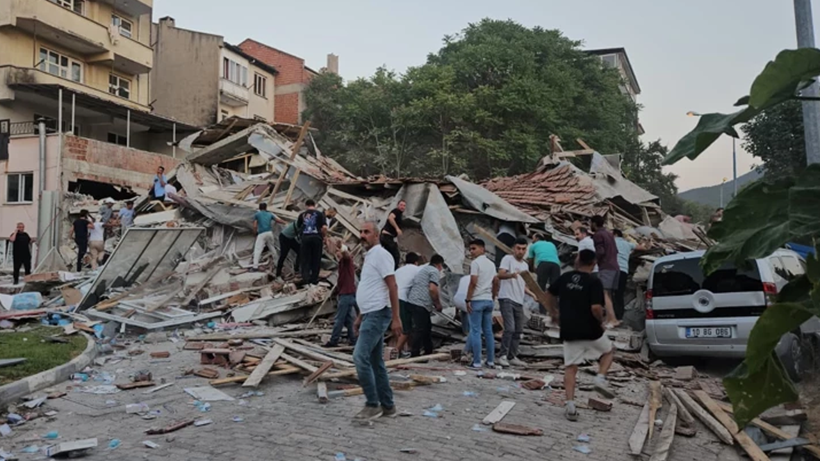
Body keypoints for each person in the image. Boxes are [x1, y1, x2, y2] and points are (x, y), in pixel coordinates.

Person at [546, 249, 616, 421]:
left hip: (569, 329)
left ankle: (570, 405)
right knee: (608, 352)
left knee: (571, 368)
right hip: (591, 330)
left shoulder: (565, 277)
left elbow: (549, 294)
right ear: (594, 264)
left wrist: (553, 313)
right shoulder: (594, 281)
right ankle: (600, 379)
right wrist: (601, 321)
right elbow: (596, 307)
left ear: (577, 261)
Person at [352, 221, 402, 421]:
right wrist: (360, 316)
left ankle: (372, 404)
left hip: (379, 314)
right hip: (370, 313)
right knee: (376, 362)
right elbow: (372, 288)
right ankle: (388, 406)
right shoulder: (370, 256)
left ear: (377, 235)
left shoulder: (381, 255)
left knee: (359, 357)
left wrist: (396, 318)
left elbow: (392, 286)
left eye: (367, 232)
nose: (362, 235)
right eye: (361, 231)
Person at [497, 238, 530, 368]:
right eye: (518, 248)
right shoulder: (507, 259)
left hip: (519, 300)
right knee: (509, 328)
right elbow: (500, 275)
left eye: (523, 249)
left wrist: (533, 294)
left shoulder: (525, 265)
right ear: (513, 248)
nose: (520, 251)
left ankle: (512, 356)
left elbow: (523, 285)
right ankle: (503, 356)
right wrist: (511, 275)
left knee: (518, 330)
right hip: (506, 298)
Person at [465, 239, 497, 369]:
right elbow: (496, 281)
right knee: (488, 332)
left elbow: (473, 282)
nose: (471, 251)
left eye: (474, 248)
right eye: (470, 249)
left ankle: (477, 362)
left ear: (482, 249)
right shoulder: (491, 264)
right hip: (488, 299)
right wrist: (493, 296)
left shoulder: (475, 263)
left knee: (475, 331)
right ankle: (490, 361)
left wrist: (468, 299)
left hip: (477, 299)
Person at [405, 254, 445, 357]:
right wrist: (437, 304)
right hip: (420, 302)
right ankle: (415, 353)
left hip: (413, 301)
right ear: (439, 265)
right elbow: (432, 289)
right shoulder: (434, 271)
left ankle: (428, 351)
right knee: (420, 329)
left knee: (426, 327)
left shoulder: (424, 269)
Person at [590, 216, 620, 328]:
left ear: (594, 223)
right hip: (615, 267)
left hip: (606, 267)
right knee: (608, 294)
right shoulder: (610, 234)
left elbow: (600, 251)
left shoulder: (598, 235)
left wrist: (593, 262)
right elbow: (616, 250)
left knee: (604, 293)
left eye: (590, 223)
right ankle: (609, 319)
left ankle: (613, 319)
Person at [325, 245, 358, 347]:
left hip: (346, 295)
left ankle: (334, 341)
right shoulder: (342, 264)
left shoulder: (347, 261)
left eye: (338, 251)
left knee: (339, 319)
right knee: (349, 320)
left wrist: (342, 247)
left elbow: (346, 255)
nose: (336, 253)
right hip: (348, 294)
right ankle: (354, 340)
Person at [394, 252, 422, 357]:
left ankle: (401, 351)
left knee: (397, 326)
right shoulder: (416, 270)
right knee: (407, 328)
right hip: (402, 299)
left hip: (391, 298)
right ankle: (396, 352)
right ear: (416, 262)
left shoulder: (398, 270)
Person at [297, 200, 327, 285]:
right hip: (317, 238)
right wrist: (324, 236)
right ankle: (314, 279)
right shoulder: (320, 214)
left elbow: (299, 227)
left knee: (305, 259)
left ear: (306, 205)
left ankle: (306, 278)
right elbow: (324, 228)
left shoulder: (302, 215)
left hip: (305, 238)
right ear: (315, 205)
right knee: (316, 258)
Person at [613, 229, 638, 321]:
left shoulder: (612, 241)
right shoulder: (627, 244)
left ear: (615, 234)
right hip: (623, 271)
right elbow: (641, 248)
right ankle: (619, 316)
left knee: (609, 293)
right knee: (619, 294)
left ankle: (611, 315)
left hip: (614, 270)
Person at [252, 203, 285, 272]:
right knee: (272, 248)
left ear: (259, 208)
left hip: (262, 233)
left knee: (257, 250)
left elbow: (255, 226)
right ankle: (277, 264)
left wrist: (255, 233)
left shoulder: (257, 214)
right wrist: (285, 222)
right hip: (269, 233)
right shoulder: (270, 214)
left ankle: (255, 267)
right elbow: (278, 220)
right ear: (266, 208)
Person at [380, 199, 405, 269]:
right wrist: (397, 228)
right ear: (397, 205)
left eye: (404, 205)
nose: (402, 207)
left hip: (386, 237)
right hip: (386, 237)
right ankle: (394, 272)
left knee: (388, 255)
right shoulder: (396, 211)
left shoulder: (399, 214)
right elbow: (390, 218)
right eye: (401, 205)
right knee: (396, 256)